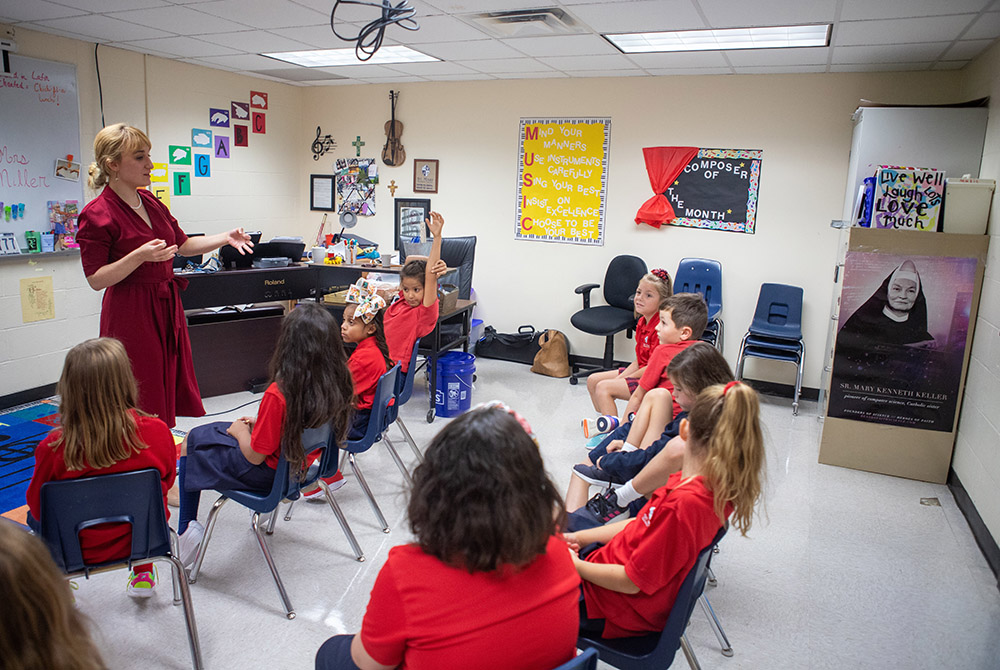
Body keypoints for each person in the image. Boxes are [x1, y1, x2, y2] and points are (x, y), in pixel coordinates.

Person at [315, 403, 580, 670]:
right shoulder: (558, 550)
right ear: (535, 488)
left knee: (331, 654)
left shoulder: (408, 573)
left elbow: (369, 665)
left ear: (435, 491)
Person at [76, 123, 254, 428]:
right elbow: (96, 278)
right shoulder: (97, 213)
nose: (150, 164)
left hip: (164, 304)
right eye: (140, 157)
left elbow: (183, 245)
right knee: (138, 384)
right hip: (131, 309)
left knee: (166, 378)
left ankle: (159, 446)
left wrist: (225, 237)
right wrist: (139, 256)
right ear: (113, 165)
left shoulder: (152, 203)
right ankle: (136, 452)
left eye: (149, 155)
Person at [564, 381, 765, 639]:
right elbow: (641, 523)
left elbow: (630, 581)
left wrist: (574, 565)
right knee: (555, 534)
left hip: (608, 604)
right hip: (615, 580)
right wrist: (579, 539)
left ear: (684, 428)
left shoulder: (683, 504)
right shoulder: (713, 490)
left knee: (519, 570)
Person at [175, 302, 354, 567]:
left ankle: (186, 529)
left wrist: (239, 433)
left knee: (194, 439)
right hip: (298, 469)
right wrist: (262, 422)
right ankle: (188, 527)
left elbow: (255, 456)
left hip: (267, 475)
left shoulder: (280, 392)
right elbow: (301, 424)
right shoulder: (335, 383)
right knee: (212, 431)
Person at [26, 338, 176, 598]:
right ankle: (143, 573)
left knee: (34, 518)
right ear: (126, 381)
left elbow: (39, 507)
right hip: (145, 540)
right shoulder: (157, 432)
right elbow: (167, 480)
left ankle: (62, 582)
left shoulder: (53, 446)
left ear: (69, 387)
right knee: (147, 503)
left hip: (74, 549)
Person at [565, 342, 733, 515]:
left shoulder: (691, 426)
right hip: (664, 481)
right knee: (657, 396)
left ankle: (571, 533)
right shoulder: (720, 412)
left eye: (679, 389)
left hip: (653, 496)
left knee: (580, 472)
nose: (674, 394)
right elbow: (656, 450)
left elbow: (650, 458)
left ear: (697, 388)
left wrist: (609, 461)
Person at [0, 521, 106, 670]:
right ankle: (143, 573)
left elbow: (39, 511)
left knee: (47, 523)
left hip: (67, 540)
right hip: (126, 541)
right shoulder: (80, 659)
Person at [584, 269, 672, 425]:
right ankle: (604, 423)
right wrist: (620, 378)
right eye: (638, 292)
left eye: (648, 295)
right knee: (592, 381)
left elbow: (653, 367)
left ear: (662, 301)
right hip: (643, 371)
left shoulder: (660, 328)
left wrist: (622, 379)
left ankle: (613, 434)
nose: (639, 298)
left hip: (654, 379)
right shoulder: (641, 322)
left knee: (604, 388)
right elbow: (639, 361)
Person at [617, 292, 708, 423]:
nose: (657, 327)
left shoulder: (663, 352)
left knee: (614, 438)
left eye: (663, 323)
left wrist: (622, 428)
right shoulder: (704, 349)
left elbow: (638, 396)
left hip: (659, 420)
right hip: (690, 422)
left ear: (685, 333)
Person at [384, 212, 447, 389]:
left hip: (394, 373)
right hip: (380, 364)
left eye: (416, 290)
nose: (410, 295)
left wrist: (437, 238)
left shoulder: (422, 313)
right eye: (406, 289)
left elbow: (430, 275)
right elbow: (410, 262)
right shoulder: (400, 302)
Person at [836, 259, 934, 350]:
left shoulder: (925, 340)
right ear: (886, 291)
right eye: (897, 289)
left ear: (917, 295)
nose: (903, 296)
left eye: (911, 291)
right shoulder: (859, 325)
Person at [341, 278, 394, 440]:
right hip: (373, 417)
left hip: (360, 423)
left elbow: (338, 393)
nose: (343, 326)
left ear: (371, 328)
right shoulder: (374, 347)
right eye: (344, 320)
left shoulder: (363, 359)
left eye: (351, 322)